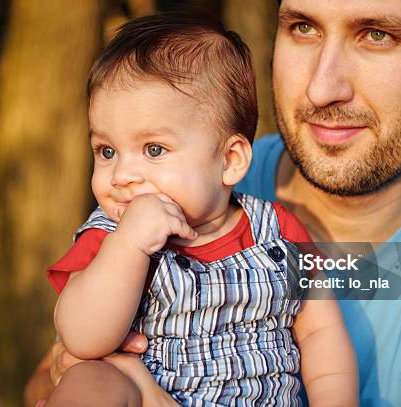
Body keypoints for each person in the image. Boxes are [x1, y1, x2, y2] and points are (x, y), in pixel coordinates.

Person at [25, 0, 401, 406]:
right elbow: (42, 385)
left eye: (377, 34)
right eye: (303, 27)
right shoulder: (161, 193)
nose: (323, 85)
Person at [42, 11, 357, 407]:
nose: (121, 174)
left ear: (229, 161)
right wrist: (129, 246)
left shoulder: (278, 230)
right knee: (90, 379)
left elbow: (319, 333)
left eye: (153, 150)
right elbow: (82, 338)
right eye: (106, 151)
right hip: (144, 393)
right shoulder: (107, 235)